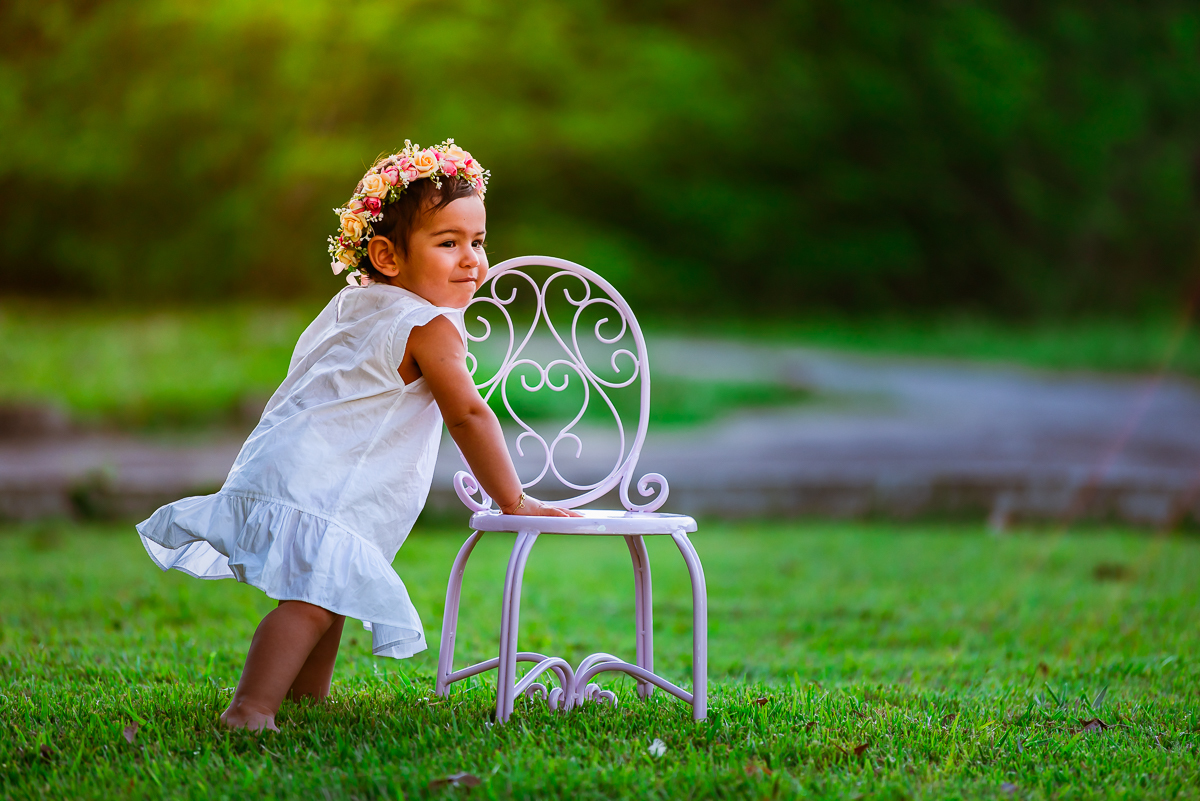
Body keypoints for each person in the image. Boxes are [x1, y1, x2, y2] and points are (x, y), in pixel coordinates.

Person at [137, 140, 576, 732]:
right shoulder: (429, 327)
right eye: (448, 243)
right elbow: (469, 414)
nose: (471, 259)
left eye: (478, 241)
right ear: (387, 256)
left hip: (292, 457)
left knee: (327, 584)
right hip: (334, 479)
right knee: (313, 600)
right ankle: (250, 709)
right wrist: (514, 500)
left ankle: (305, 699)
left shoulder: (358, 303)